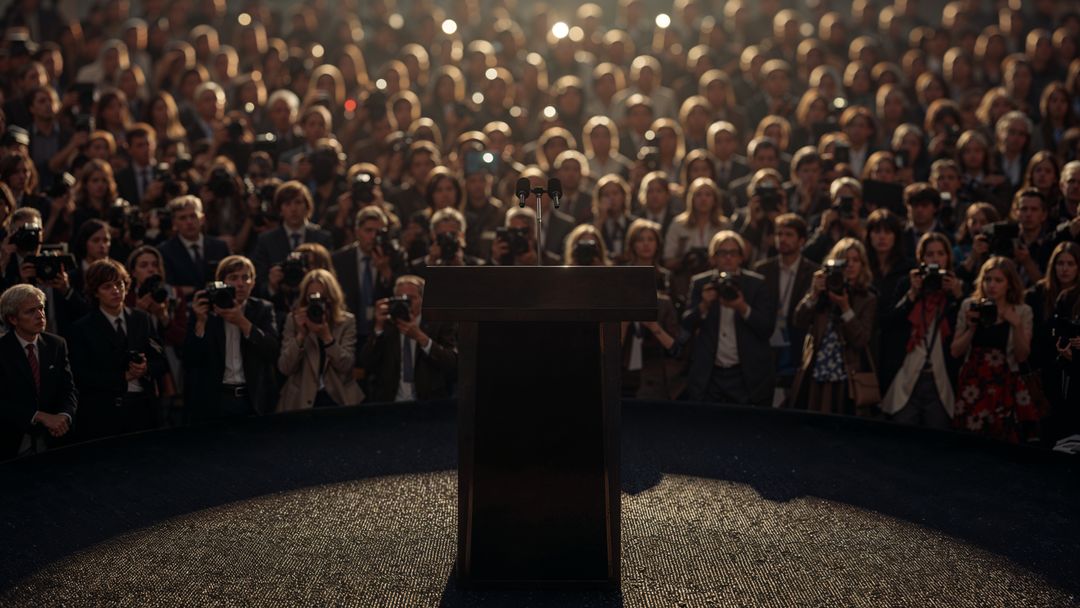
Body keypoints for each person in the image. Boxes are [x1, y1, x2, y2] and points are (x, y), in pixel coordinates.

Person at [67, 259, 166, 441]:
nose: (115, 290)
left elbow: (161, 361)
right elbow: (80, 376)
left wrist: (145, 368)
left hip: (144, 410)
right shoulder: (82, 328)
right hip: (104, 416)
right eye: (107, 286)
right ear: (95, 292)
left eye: (119, 284)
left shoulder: (142, 319)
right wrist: (122, 377)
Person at [681, 231, 777, 406]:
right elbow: (685, 325)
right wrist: (704, 305)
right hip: (710, 376)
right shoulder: (701, 283)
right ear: (713, 257)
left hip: (747, 375)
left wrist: (742, 307)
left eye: (733, 253)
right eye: (722, 253)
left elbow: (766, 329)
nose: (728, 258)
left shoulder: (756, 284)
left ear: (741, 257)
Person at [879, 233, 965, 428]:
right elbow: (890, 323)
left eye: (940, 254)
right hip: (907, 379)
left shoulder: (956, 288)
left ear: (948, 258)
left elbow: (962, 329)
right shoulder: (907, 284)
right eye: (930, 254)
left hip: (941, 382)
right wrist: (912, 294)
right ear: (921, 259)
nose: (935, 259)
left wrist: (958, 296)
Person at [950, 257, 1037, 443]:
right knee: (970, 439)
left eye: (998, 280)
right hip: (973, 383)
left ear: (1009, 284)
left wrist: (1016, 325)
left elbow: (1022, 356)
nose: (992, 285)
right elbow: (955, 351)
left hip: (1005, 384)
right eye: (988, 279)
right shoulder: (969, 306)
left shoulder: (1022, 311)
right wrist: (971, 327)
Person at [788, 237, 878, 415]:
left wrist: (845, 308)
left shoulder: (867, 298)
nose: (850, 265)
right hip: (816, 371)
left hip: (848, 376)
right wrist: (813, 295)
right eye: (845, 260)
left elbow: (861, 340)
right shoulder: (822, 292)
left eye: (855, 260)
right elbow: (798, 321)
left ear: (863, 264)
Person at [183, 255, 280, 420]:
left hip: (253, 399)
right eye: (233, 278)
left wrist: (242, 322)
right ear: (221, 282)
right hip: (215, 400)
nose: (240, 284)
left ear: (253, 282)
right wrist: (200, 322)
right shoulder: (206, 309)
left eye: (245, 278)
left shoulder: (263, 309)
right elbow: (190, 358)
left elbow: (272, 351)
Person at [0, 284, 76, 460]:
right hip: (10, 444)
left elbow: (68, 389)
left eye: (41, 308)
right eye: (30, 311)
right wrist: (38, 416)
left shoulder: (57, 344)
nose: (40, 315)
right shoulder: (2, 350)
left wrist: (64, 416)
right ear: (13, 319)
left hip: (54, 440)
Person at [753, 214, 818, 406]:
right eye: (779, 234)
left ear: (802, 240)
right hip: (767, 341)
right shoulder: (762, 269)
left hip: (798, 341)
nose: (782, 239)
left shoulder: (814, 272)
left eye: (789, 234)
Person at [360, 275, 457, 402]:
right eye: (400, 298)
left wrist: (421, 338)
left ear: (423, 300)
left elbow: (452, 364)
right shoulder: (386, 324)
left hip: (428, 402)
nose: (405, 303)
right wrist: (378, 329)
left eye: (411, 298)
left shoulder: (439, 323)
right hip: (390, 400)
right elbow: (367, 363)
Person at [277, 268, 364, 410]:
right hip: (301, 398)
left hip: (338, 396)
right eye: (312, 298)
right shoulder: (294, 320)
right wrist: (301, 336)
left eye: (322, 299)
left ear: (332, 299)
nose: (317, 304)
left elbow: (346, 365)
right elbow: (285, 367)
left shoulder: (346, 322)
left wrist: (327, 337)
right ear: (304, 299)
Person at [619, 218, 682, 399]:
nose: (646, 244)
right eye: (640, 239)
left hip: (656, 355)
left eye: (650, 239)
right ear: (632, 245)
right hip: (625, 351)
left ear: (658, 244)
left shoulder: (667, 278)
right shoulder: (622, 275)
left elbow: (673, 323)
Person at [253, 180, 333, 295]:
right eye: (287, 204)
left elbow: (330, 277)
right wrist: (272, 285)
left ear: (307, 206)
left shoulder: (322, 238)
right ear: (280, 209)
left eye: (298, 202)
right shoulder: (266, 240)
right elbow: (260, 282)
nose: (293, 209)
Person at [156, 195, 230, 295]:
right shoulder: (165, 251)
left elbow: (229, 279)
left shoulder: (220, 247)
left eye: (193, 216)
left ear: (202, 219)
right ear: (174, 223)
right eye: (183, 218)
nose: (189, 222)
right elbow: (169, 287)